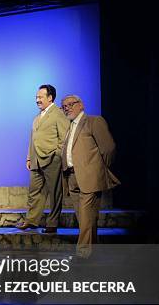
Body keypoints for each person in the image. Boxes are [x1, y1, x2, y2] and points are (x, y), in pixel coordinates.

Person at [60, 95, 120, 258]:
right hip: (72, 177)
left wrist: (98, 169)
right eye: (64, 106)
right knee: (85, 218)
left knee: (86, 217)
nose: (67, 108)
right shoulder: (70, 126)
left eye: (71, 104)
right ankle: (95, 248)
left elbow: (108, 148)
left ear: (81, 105)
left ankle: (83, 252)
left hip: (89, 177)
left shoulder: (94, 121)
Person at [16, 84, 70, 234]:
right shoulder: (37, 117)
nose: (37, 100)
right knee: (34, 192)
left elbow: (64, 137)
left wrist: (58, 154)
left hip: (52, 159)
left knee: (54, 193)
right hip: (36, 159)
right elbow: (32, 139)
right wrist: (28, 158)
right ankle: (32, 221)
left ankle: (52, 223)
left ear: (50, 97)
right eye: (36, 97)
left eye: (40, 97)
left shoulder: (58, 114)